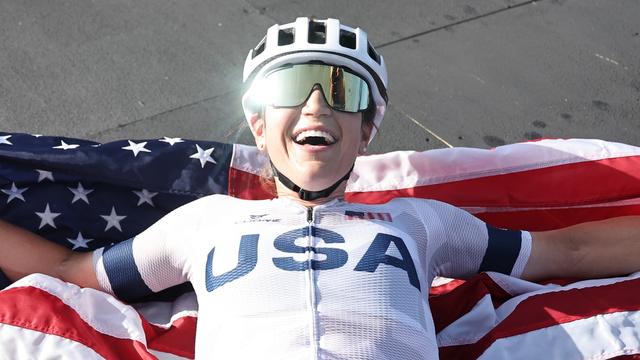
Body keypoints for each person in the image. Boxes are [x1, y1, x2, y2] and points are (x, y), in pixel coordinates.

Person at [0, 17, 639, 359]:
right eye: (290, 88)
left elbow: (570, 254)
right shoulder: (208, 222)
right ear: (258, 123)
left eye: (342, 91)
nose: (315, 106)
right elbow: (67, 269)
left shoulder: (421, 224)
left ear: (365, 134)